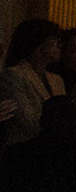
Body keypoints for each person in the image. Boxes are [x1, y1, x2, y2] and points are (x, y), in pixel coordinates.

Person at [2, 19, 66, 149]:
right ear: (41, 46)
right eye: (55, 43)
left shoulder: (57, 80)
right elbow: (27, 121)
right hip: (23, 151)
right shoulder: (13, 76)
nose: (59, 47)